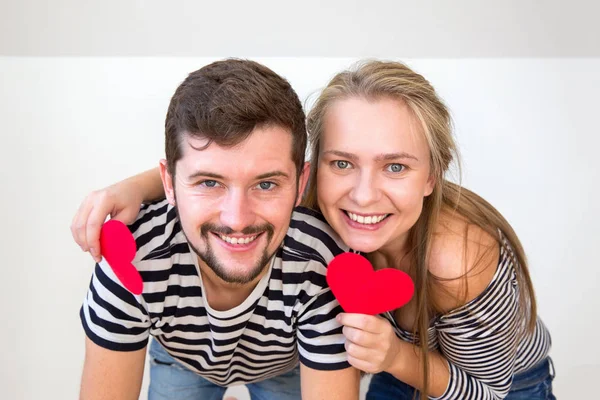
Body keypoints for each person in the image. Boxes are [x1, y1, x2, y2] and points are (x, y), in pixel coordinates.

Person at [73, 60, 554, 400]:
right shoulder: (303, 203)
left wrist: (397, 359)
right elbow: (222, 168)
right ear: (315, 171)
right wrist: (131, 188)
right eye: (342, 163)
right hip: (388, 366)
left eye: (396, 168)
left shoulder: (454, 262)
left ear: (432, 176)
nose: (363, 195)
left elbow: (489, 391)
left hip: (504, 384)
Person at [75, 59, 360, 400]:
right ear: (168, 182)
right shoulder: (132, 258)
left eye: (266, 184)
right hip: (183, 359)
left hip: (286, 362)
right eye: (209, 182)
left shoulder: (324, 262)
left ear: (301, 184)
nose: (237, 219)